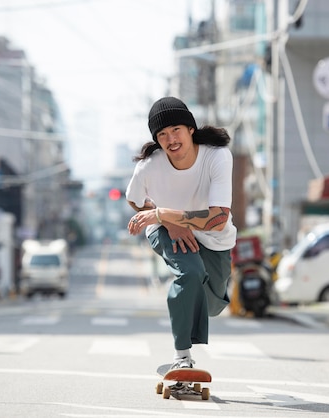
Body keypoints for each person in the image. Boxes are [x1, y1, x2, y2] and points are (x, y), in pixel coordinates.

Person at [126, 96, 237, 371]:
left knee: (211, 304)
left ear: (190, 129)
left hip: (214, 238)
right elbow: (134, 199)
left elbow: (219, 219)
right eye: (162, 134)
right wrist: (169, 223)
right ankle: (182, 358)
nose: (170, 139)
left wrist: (165, 213)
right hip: (165, 230)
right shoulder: (150, 165)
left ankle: (196, 316)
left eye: (176, 129)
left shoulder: (217, 156)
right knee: (190, 273)